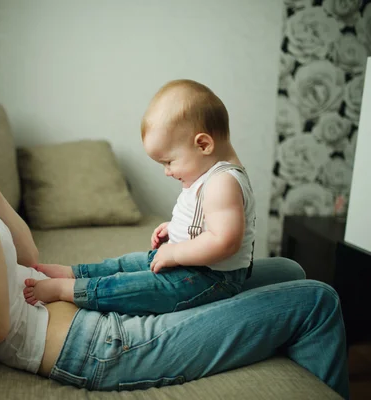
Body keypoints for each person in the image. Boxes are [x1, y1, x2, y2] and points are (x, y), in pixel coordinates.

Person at [0, 31, 350, 398]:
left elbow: (26, 255)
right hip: (99, 350)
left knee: (289, 272)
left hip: (96, 323)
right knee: (317, 301)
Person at [23, 80, 256, 316]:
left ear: (203, 144)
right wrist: (175, 228)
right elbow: (207, 220)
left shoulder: (222, 182)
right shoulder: (212, 175)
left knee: (136, 289)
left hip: (211, 278)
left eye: (169, 162)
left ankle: (71, 289)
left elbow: (225, 242)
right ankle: (75, 272)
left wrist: (175, 253)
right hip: (193, 264)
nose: (167, 171)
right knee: (129, 263)